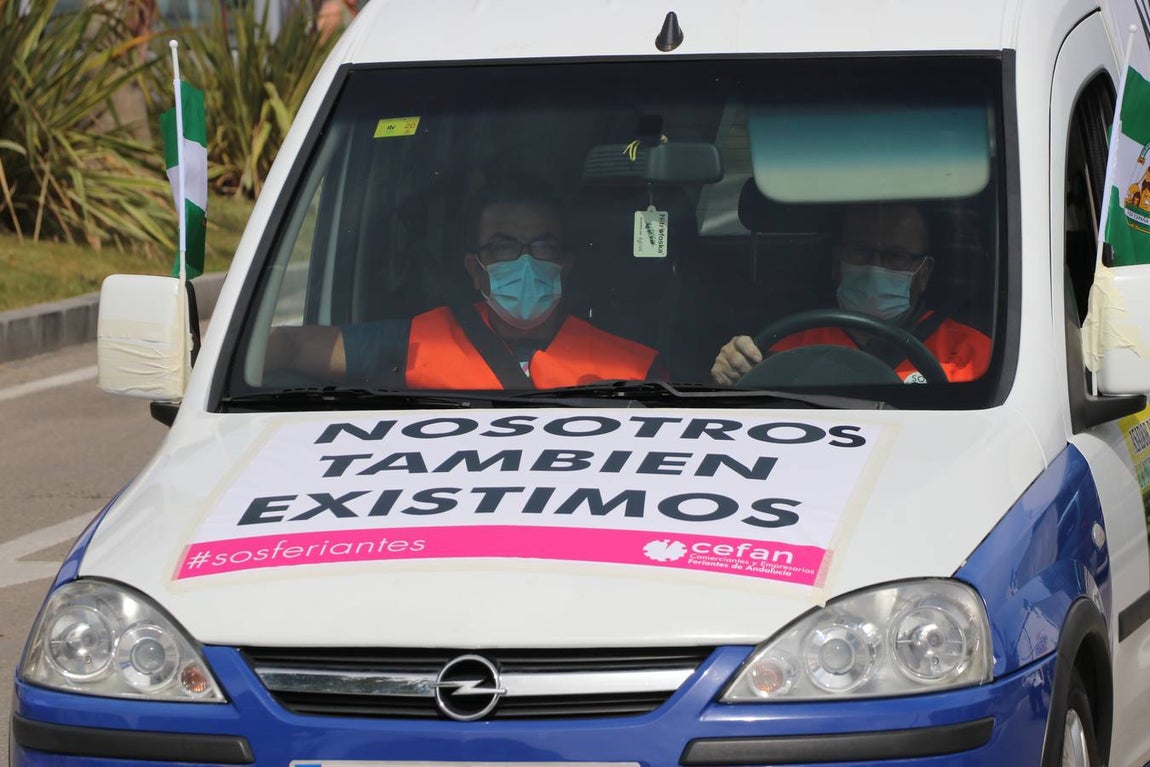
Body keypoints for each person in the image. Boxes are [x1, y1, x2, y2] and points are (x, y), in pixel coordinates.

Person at [267, 177, 661, 389]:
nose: (525, 261)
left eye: (542, 245)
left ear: (565, 263)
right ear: (475, 269)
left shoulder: (634, 367)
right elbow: (288, 346)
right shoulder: (416, 342)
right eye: (503, 248)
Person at [710, 202, 991, 385]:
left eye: (895, 256)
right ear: (836, 261)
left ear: (924, 272)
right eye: (860, 252)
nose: (873, 267)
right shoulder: (780, 347)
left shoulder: (974, 355)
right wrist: (731, 373)